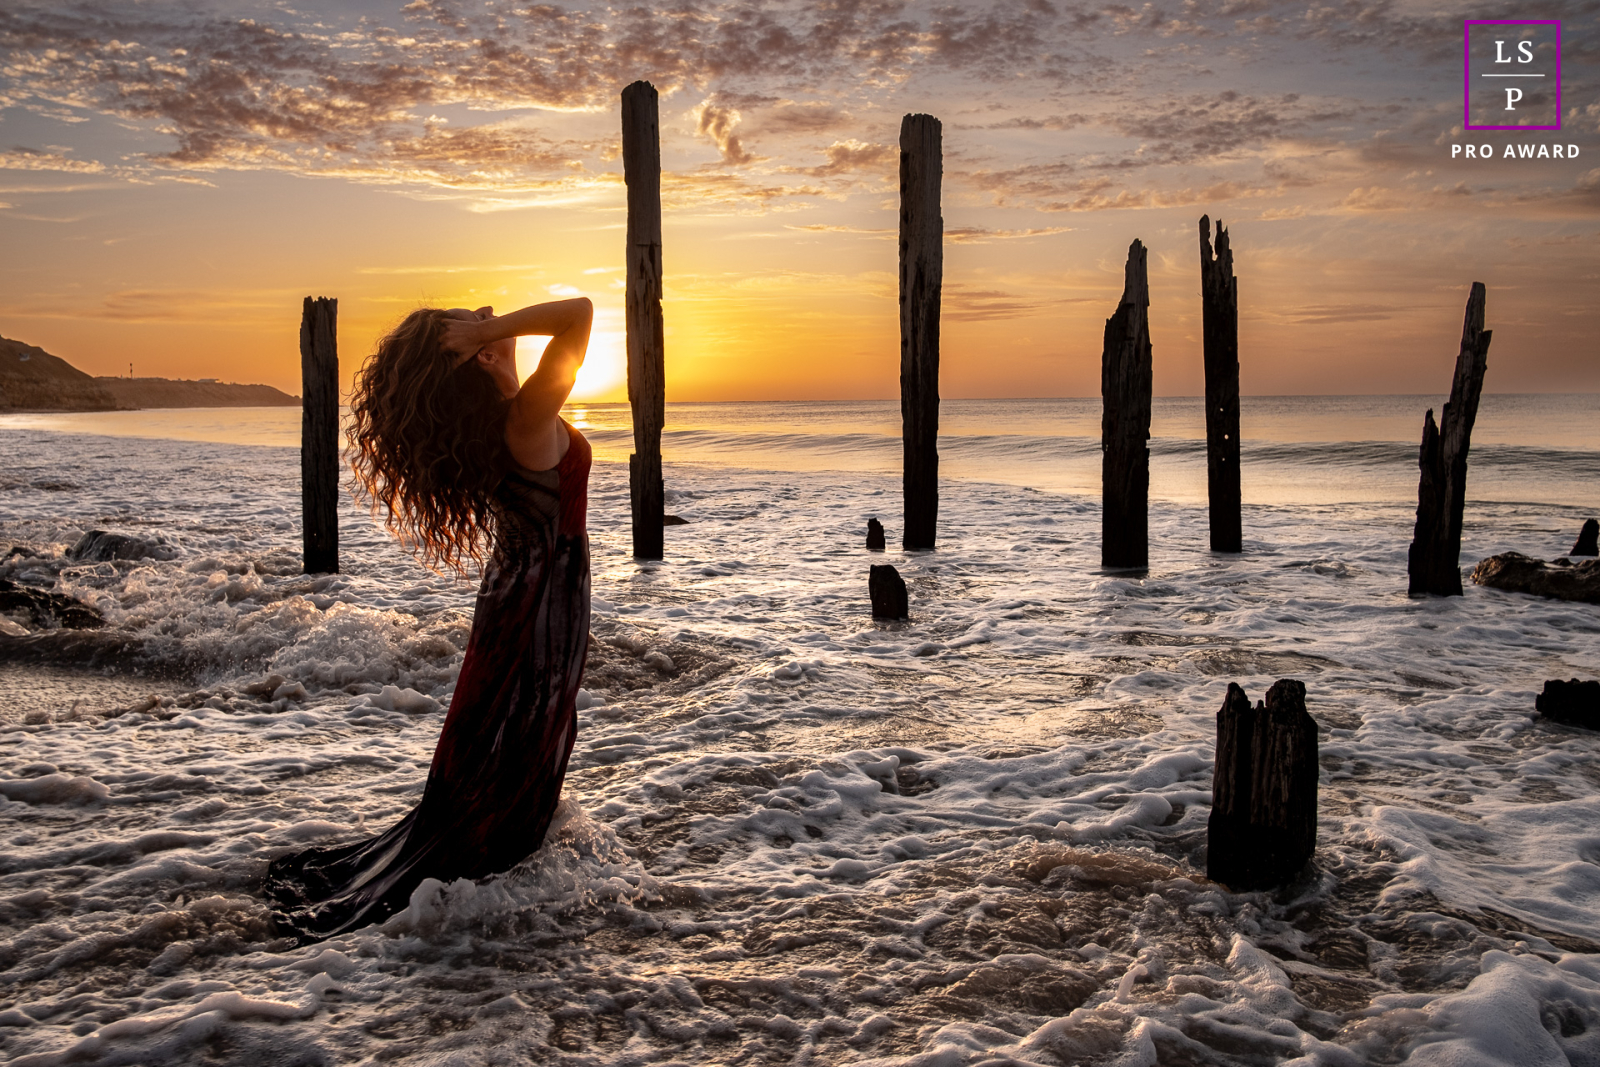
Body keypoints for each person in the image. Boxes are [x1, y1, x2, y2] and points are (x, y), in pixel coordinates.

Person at [264, 297, 594, 944]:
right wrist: (485, 330)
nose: (487, 318)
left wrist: (487, 338)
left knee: (500, 731)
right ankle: (487, 888)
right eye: (474, 325)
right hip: (541, 599)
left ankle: (490, 871)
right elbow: (579, 313)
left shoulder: (507, 420)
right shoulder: (527, 421)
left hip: (520, 589)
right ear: (474, 355)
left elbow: (545, 354)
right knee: (521, 727)